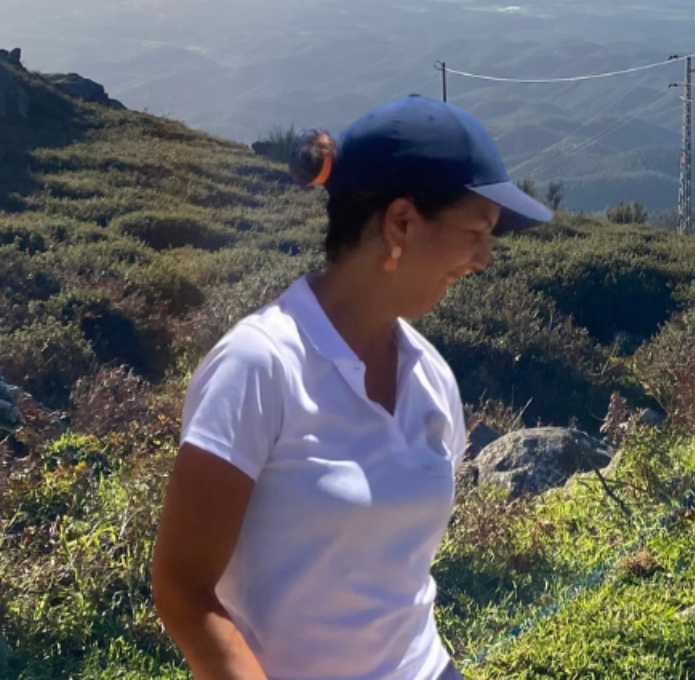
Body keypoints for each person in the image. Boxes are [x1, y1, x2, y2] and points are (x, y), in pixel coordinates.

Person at [150, 95, 552, 680]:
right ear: (401, 223)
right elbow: (183, 591)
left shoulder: (431, 376)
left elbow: (396, 579)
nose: (483, 259)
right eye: (474, 232)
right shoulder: (259, 366)